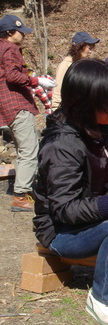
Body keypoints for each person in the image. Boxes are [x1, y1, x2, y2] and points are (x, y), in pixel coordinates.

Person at [32, 58, 108, 325]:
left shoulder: (103, 129)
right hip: (60, 232)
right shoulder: (62, 145)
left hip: (89, 221)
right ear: (83, 101)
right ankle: (104, 298)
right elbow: (64, 209)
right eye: (106, 101)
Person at [0, 14, 56, 212]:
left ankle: (22, 189)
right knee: (30, 150)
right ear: (9, 33)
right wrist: (37, 80)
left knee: (24, 149)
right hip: (16, 105)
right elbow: (13, 75)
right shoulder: (10, 48)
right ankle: (20, 196)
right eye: (20, 31)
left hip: (6, 105)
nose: (23, 35)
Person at [51, 31, 99, 110]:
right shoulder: (65, 65)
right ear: (79, 47)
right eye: (89, 48)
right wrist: (55, 110)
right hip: (69, 112)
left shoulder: (83, 65)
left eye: (92, 48)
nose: (91, 51)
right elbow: (57, 91)